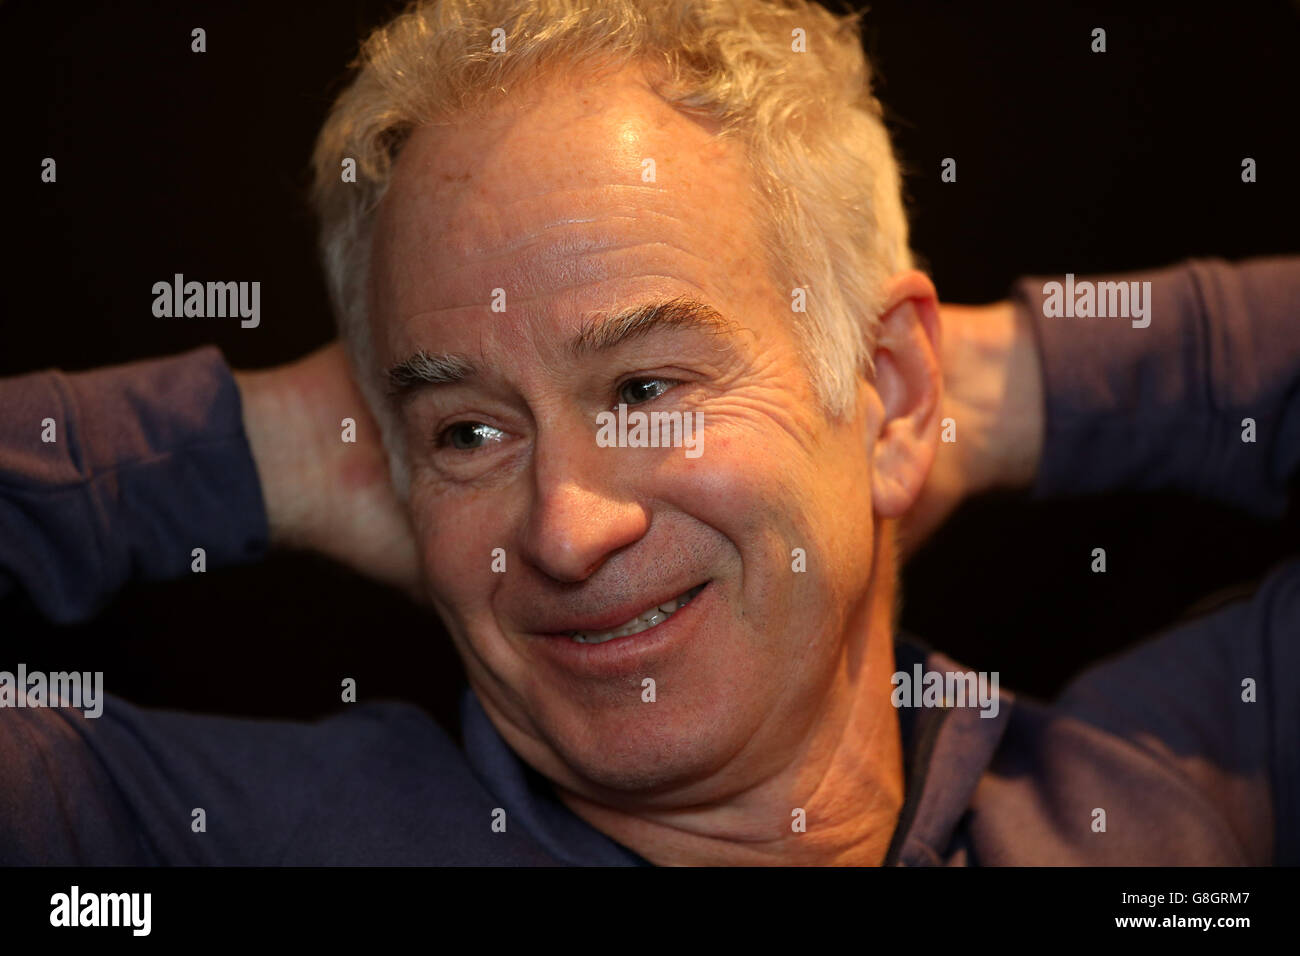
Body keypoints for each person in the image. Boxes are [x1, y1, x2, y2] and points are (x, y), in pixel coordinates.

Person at [2, 0, 1296, 866]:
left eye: (642, 388)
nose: (565, 526)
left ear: (890, 386)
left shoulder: (1175, 794)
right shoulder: (242, 839)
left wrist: (988, 394)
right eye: (466, 434)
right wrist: (265, 447)